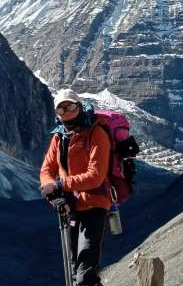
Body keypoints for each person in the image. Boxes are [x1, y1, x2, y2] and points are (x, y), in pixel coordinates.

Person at [40, 89, 112, 286]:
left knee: (84, 275)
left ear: (79, 107)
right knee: (74, 270)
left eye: (70, 106)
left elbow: (95, 176)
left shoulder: (97, 133)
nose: (66, 112)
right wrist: (53, 195)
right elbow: (47, 170)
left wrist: (62, 185)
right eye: (61, 109)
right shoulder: (59, 137)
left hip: (95, 205)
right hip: (71, 207)